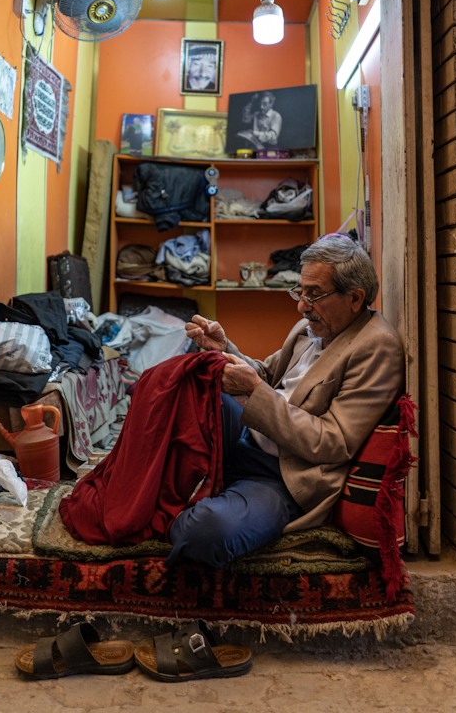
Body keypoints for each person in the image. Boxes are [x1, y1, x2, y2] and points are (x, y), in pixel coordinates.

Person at [166, 234, 404, 567]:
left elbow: (332, 442)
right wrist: (224, 349)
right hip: (249, 436)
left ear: (355, 297)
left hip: (285, 473)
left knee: (205, 533)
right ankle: (164, 493)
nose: (302, 305)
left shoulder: (376, 347)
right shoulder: (312, 325)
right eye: (300, 291)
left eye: (315, 294)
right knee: (186, 385)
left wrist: (252, 392)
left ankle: (186, 506)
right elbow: (266, 376)